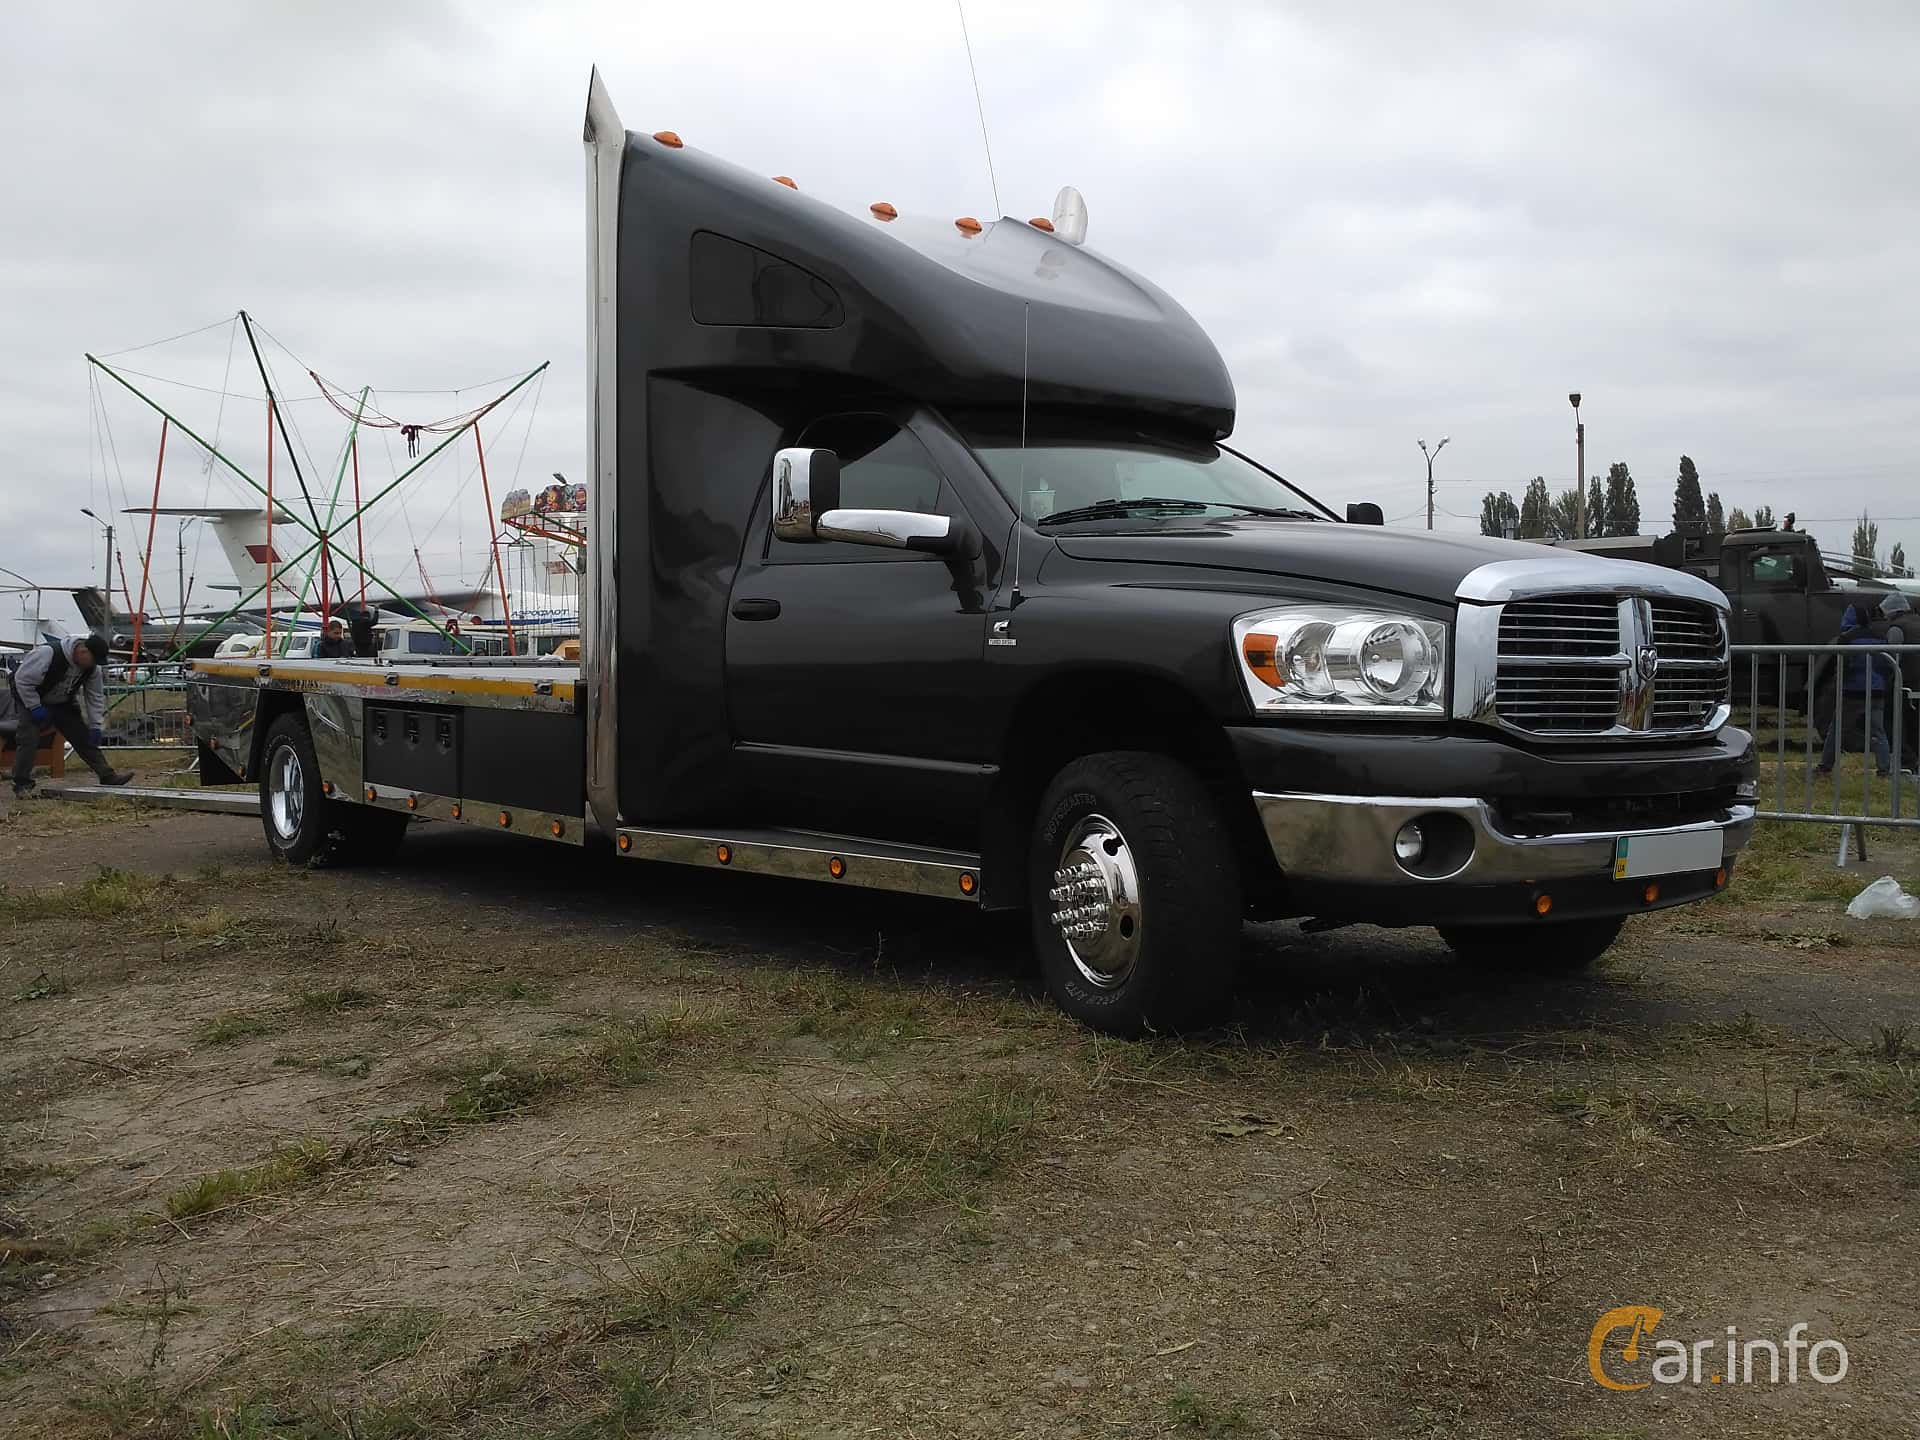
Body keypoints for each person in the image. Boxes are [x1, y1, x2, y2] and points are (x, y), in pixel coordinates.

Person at [8, 633, 134, 799]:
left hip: (62, 702)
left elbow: (95, 696)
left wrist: (96, 725)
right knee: (28, 739)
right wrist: (35, 706)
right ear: (83, 651)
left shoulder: (92, 669)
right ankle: (22, 784)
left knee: (83, 737)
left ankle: (107, 776)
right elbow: (22, 680)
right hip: (31, 698)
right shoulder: (48, 654)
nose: (94, 664)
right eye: (93, 659)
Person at [1817, 593, 1913, 778]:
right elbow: (1887, 663)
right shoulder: (1879, 635)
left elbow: (1843, 666)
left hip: (1852, 691)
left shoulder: (1846, 638)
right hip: (1876, 690)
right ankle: (1884, 770)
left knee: (1836, 730)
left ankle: (1825, 766)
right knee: (1879, 732)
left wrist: (1840, 685)